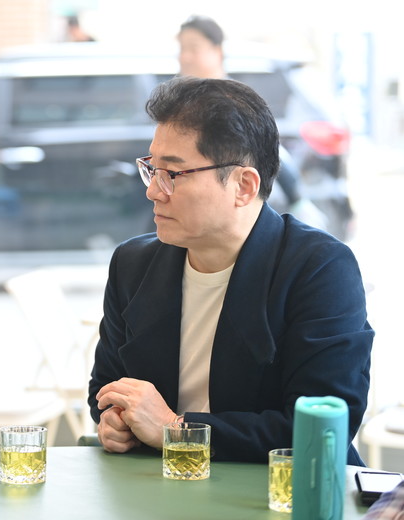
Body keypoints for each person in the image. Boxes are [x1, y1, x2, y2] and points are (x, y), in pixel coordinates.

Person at [88, 76, 373, 464]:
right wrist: (115, 420)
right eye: (151, 169)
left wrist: (177, 429)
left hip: (283, 487)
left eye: (173, 174)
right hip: (162, 484)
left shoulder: (319, 269)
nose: (153, 190)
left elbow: (322, 429)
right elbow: (106, 388)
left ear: (244, 186)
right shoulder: (133, 264)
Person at [176, 15, 328, 231]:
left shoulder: (233, 100)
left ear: (217, 51)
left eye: (193, 48)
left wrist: (297, 200)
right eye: (182, 49)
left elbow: (270, 150)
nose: (185, 57)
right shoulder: (183, 102)